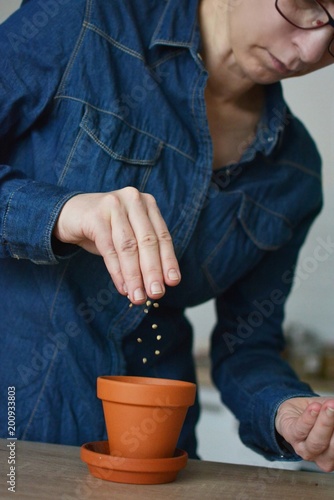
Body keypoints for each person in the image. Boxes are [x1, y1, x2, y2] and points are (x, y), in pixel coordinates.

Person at [0, 0, 333, 472]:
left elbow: (247, 347)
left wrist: (285, 410)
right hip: (13, 430)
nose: (313, 48)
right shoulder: (83, 17)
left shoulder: (294, 174)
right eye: (307, 5)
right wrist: (60, 213)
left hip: (158, 457)